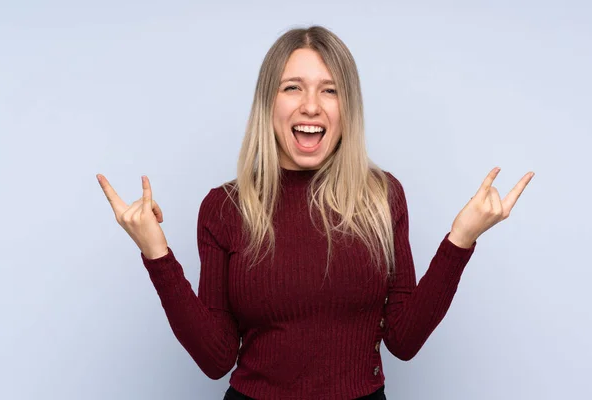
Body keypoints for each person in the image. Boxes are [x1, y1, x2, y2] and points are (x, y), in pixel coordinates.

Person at [96, 25, 534, 400]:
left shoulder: (382, 197)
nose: (311, 105)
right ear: (269, 104)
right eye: (293, 88)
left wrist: (461, 239)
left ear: (348, 109)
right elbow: (215, 359)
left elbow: (403, 339)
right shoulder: (225, 208)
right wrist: (156, 254)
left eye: (330, 90)